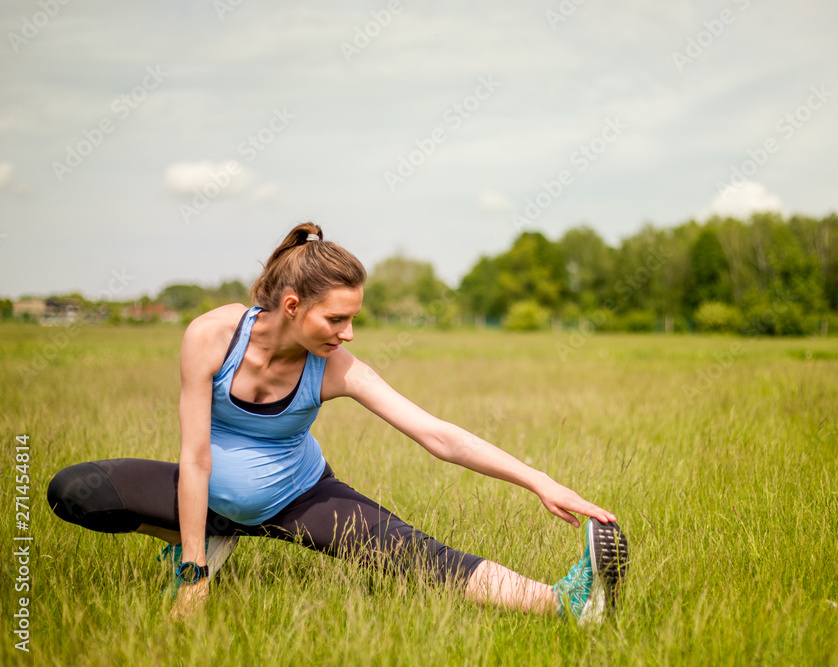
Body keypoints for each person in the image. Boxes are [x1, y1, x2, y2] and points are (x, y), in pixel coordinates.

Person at [47, 222, 628, 624]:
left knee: (416, 555)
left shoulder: (334, 368)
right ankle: (205, 543)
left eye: (354, 318)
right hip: (206, 494)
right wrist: (194, 570)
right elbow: (195, 458)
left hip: (300, 498)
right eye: (338, 317)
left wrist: (539, 480)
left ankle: (565, 603)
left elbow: (437, 436)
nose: (348, 332)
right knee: (75, 490)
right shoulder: (210, 337)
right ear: (294, 305)